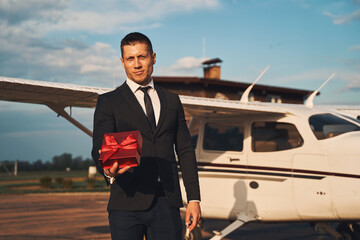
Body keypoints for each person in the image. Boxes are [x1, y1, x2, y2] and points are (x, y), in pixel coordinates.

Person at [91, 32, 201, 240]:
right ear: (122, 62)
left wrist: (193, 199)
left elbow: (185, 150)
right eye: (130, 58)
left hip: (166, 202)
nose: (137, 64)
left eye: (142, 57)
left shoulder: (172, 101)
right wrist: (107, 170)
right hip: (126, 202)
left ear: (154, 58)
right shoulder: (109, 102)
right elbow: (99, 146)